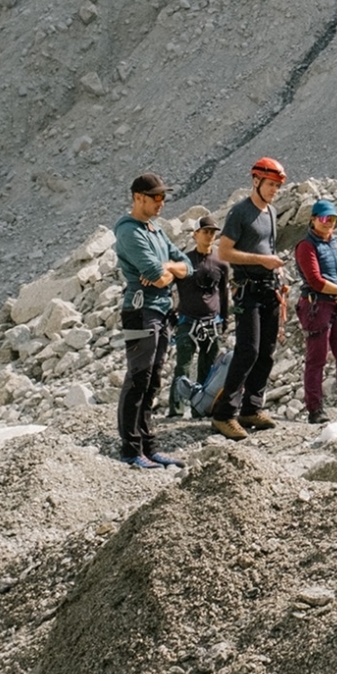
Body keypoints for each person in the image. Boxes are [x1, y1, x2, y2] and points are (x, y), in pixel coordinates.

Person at [113, 174, 188, 469]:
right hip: (140, 310)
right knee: (138, 378)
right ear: (137, 197)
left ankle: (149, 446)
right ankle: (131, 450)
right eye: (155, 197)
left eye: (163, 197)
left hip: (160, 310)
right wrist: (168, 271)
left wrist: (168, 266)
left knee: (153, 379)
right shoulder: (130, 233)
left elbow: (187, 264)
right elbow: (157, 279)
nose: (161, 202)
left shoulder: (155, 230)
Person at [211, 156, 287, 441]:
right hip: (247, 289)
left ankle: (251, 407)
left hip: (269, 288)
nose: (273, 190)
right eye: (270, 184)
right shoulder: (239, 212)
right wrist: (261, 260)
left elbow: (269, 246)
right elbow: (224, 252)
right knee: (248, 350)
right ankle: (223, 414)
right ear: (256, 181)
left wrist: (277, 275)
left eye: (277, 186)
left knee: (266, 351)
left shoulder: (271, 212)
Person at [294, 200, 337, 424]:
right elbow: (314, 280)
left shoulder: (336, 241)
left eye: (332, 219)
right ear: (313, 219)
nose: (328, 223)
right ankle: (315, 409)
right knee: (317, 358)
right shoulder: (305, 245)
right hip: (316, 305)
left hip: (336, 304)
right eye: (324, 218)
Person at [167, 214, 230, 416]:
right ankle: (175, 410)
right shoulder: (183, 262)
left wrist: (225, 318)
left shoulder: (221, 262)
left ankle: (200, 408)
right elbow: (166, 287)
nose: (210, 235)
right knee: (182, 367)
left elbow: (224, 292)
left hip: (212, 322)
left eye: (212, 232)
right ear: (195, 234)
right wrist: (170, 316)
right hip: (187, 320)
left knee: (208, 367)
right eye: (206, 232)